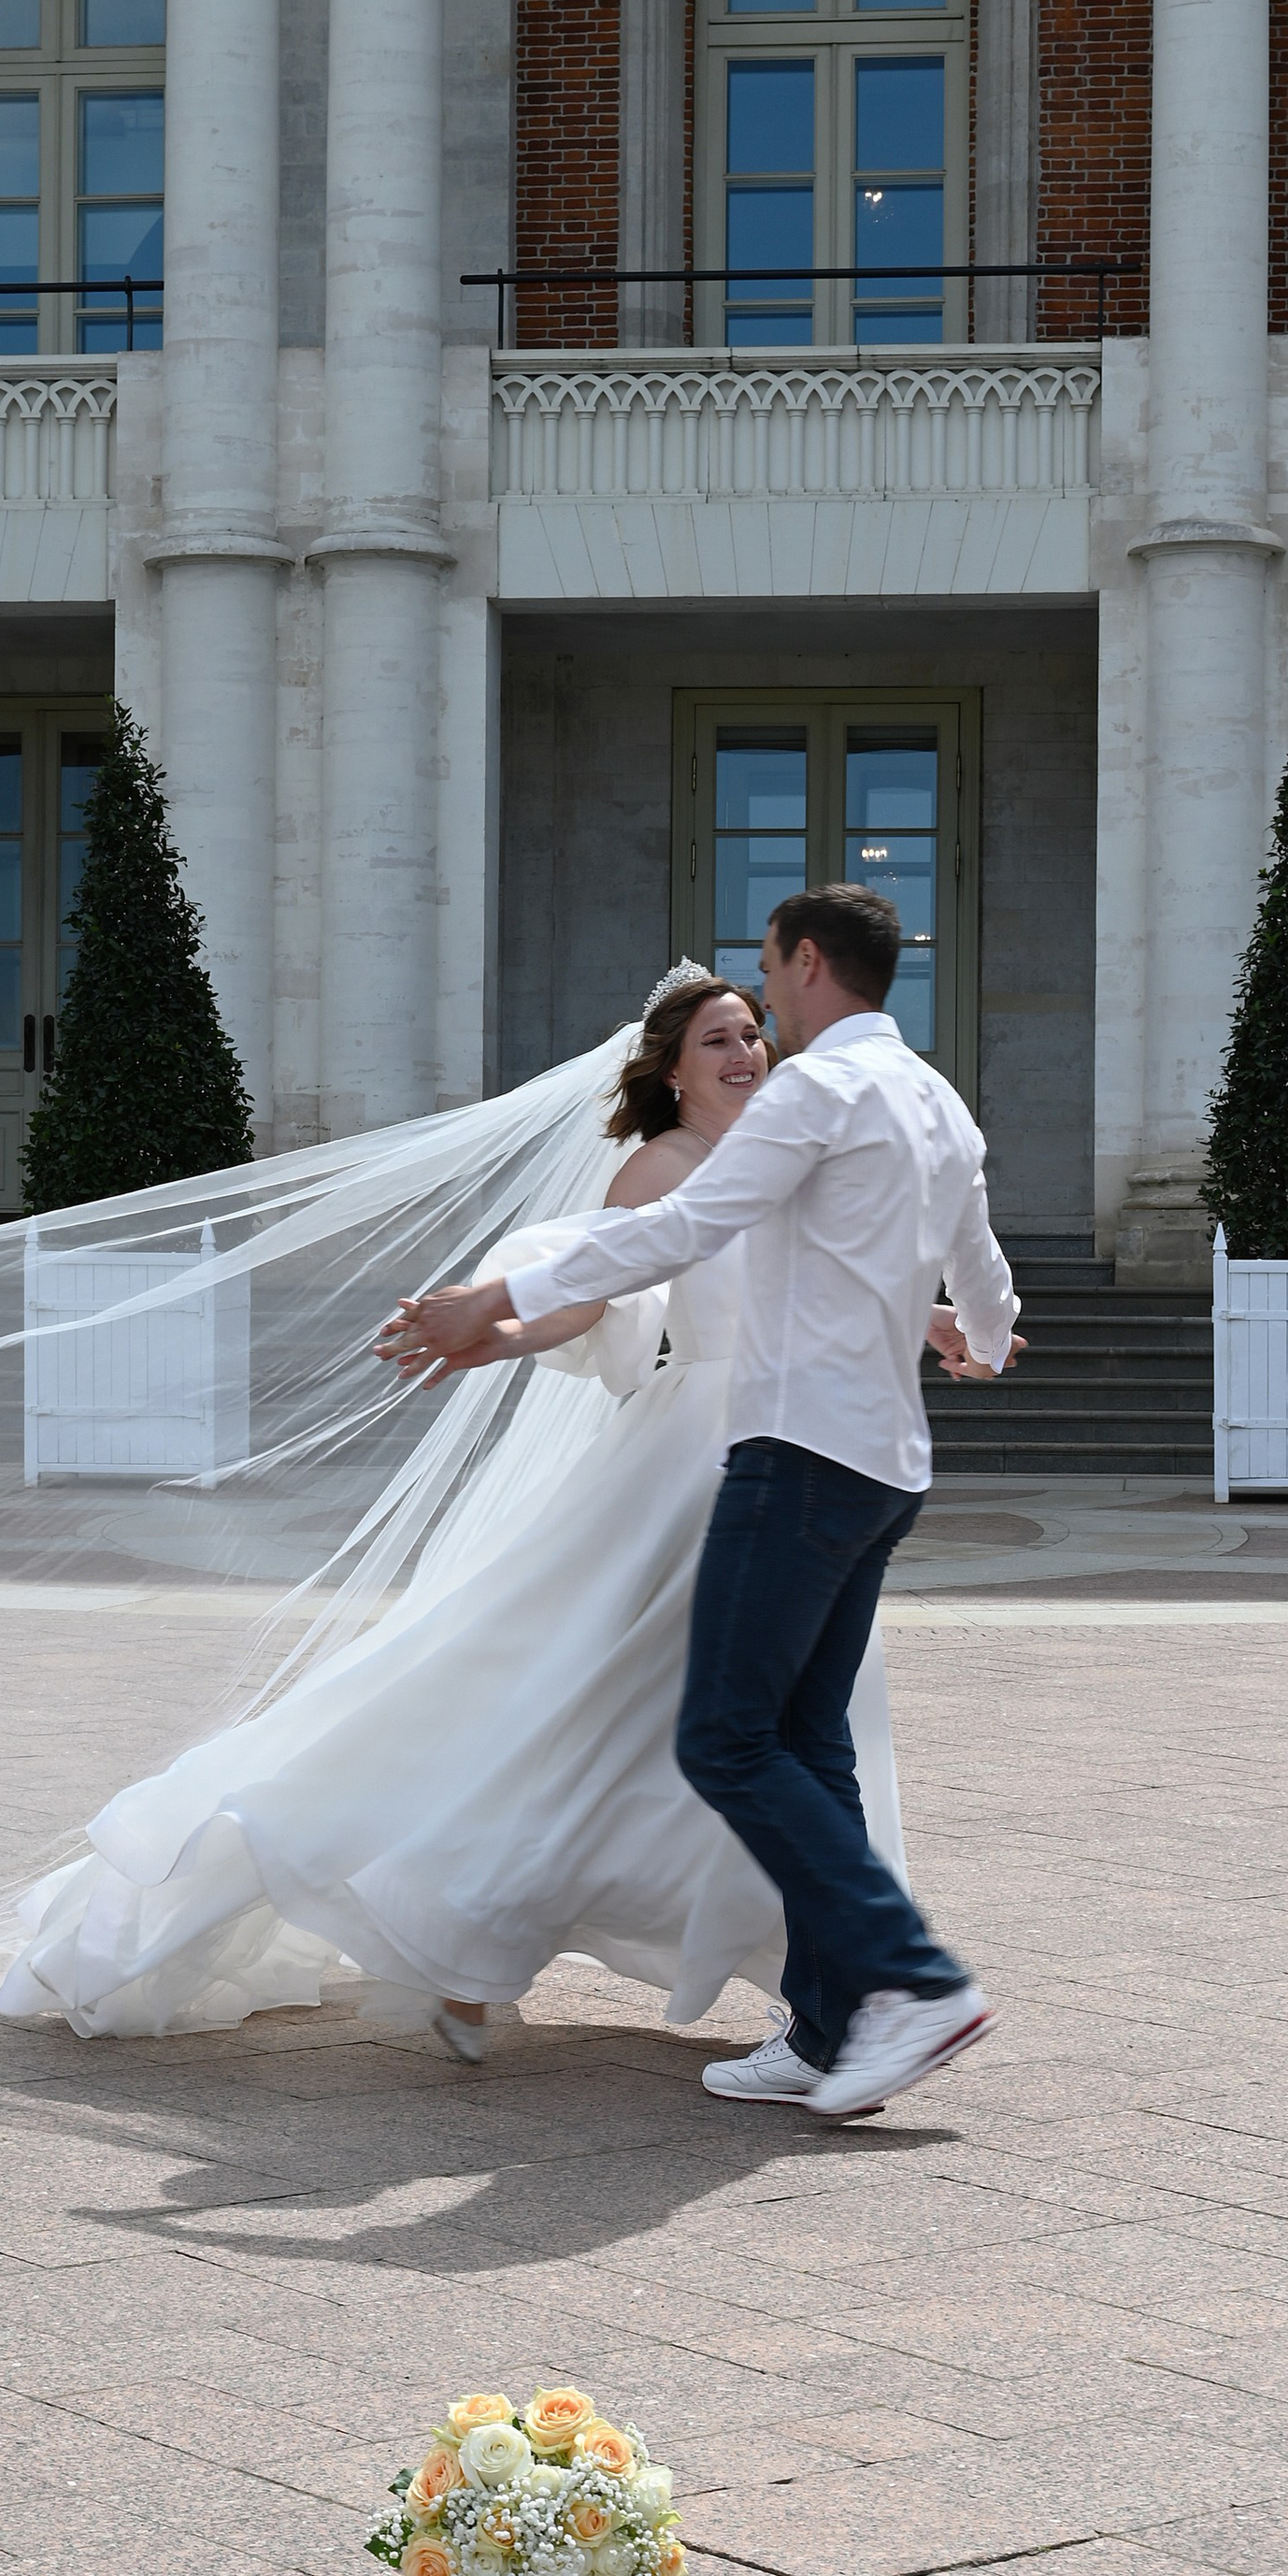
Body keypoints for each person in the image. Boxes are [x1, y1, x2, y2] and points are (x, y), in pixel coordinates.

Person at [0, 965, 909, 2061]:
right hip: (695, 1460)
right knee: (578, 1707)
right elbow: (583, 1301)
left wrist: (929, 1318)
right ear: (670, 1068)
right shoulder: (655, 1170)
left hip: (799, 1442)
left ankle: (814, 1978)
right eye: (717, 1039)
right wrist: (487, 1335)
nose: (743, 1054)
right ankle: (465, 1937)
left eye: (751, 1034)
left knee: (777, 1724)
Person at [386, 885, 1023, 2122]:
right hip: (885, 1457)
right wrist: (978, 1335)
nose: (760, 1012)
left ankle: (913, 1981)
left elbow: (686, 1230)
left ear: (806, 962)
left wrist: (495, 1285)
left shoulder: (816, 1094)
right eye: (721, 1030)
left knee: (726, 1739)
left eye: (770, 979)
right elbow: (971, 1257)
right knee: (809, 1745)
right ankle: (830, 2022)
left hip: (797, 1452)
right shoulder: (932, 1096)